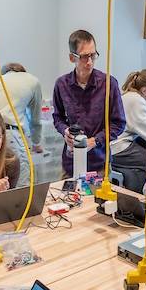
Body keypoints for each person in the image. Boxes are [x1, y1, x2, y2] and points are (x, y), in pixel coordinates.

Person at [51, 29, 125, 178]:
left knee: (97, 201)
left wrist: (95, 141)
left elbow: (119, 123)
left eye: (93, 55)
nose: (90, 62)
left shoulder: (108, 84)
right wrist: (65, 131)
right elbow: (57, 117)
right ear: (72, 58)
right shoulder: (61, 84)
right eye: (84, 57)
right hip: (70, 163)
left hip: (98, 165)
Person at [0, 62, 43, 187]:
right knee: (21, 185)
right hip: (6, 133)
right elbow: (35, 119)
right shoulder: (32, 81)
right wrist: (36, 143)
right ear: (23, 72)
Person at [109, 69, 146, 192]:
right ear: (145, 90)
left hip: (114, 147)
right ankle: (139, 197)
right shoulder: (136, 100)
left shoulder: (129, 96)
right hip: (119, 148)